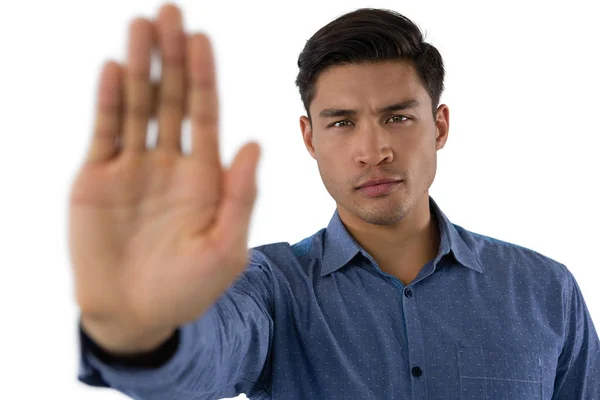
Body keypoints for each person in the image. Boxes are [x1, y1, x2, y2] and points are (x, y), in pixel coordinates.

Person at [70, 3, 600, 399]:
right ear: (310, 139)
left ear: (439, 125)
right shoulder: (271, 285)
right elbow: (205, 356)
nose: (374, 151)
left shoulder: (545, 289)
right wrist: (139, 327)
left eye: (397, 116)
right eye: (342, 123)